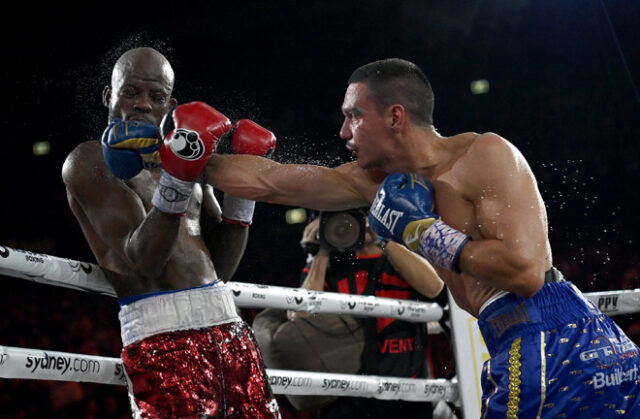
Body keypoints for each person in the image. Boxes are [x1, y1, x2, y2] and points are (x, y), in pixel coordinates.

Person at [203, 58, 640, 417]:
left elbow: (524, 274)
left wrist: (423, 231)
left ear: (395, 116)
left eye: (354, 115)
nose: (343, 132)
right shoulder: (372, 182)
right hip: (522, 344)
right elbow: (273, 182)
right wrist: (179, 154)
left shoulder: (484, 155)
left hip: (554, 342)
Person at [62, 46, 280, 418]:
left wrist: (244, 195)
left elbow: (221, 268)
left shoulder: (183, 160)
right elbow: (143, 262)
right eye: (131, 92)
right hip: (163, 340)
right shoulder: (89, 161)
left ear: (171, 105)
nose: (143, 104)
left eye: (156, 96)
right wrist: (179, 178)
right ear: (108, 96)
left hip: (230, 329)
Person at [254, 214, 446, 418]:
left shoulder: (402, 258)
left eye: (362, 213)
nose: (356, 222)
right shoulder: (330, 264)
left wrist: (383, 236)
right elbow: (300, 316)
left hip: (406, 393)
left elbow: (435, 288)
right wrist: (321, 251)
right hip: (347, 400)